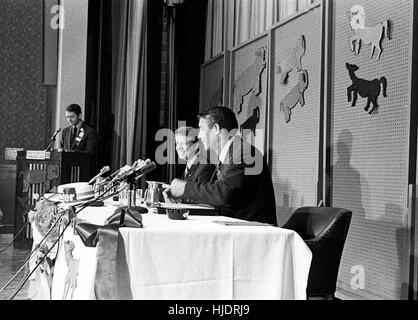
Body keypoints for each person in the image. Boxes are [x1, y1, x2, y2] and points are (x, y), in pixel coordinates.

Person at [167, 106, 277, 226]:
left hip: (256, 233)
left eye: (201, 129)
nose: (198, 136)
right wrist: (181, 197)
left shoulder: (244, 153)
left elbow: (224, 193)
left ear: (216, 128)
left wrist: (185, 189)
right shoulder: (231, 153)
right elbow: (218, 196)